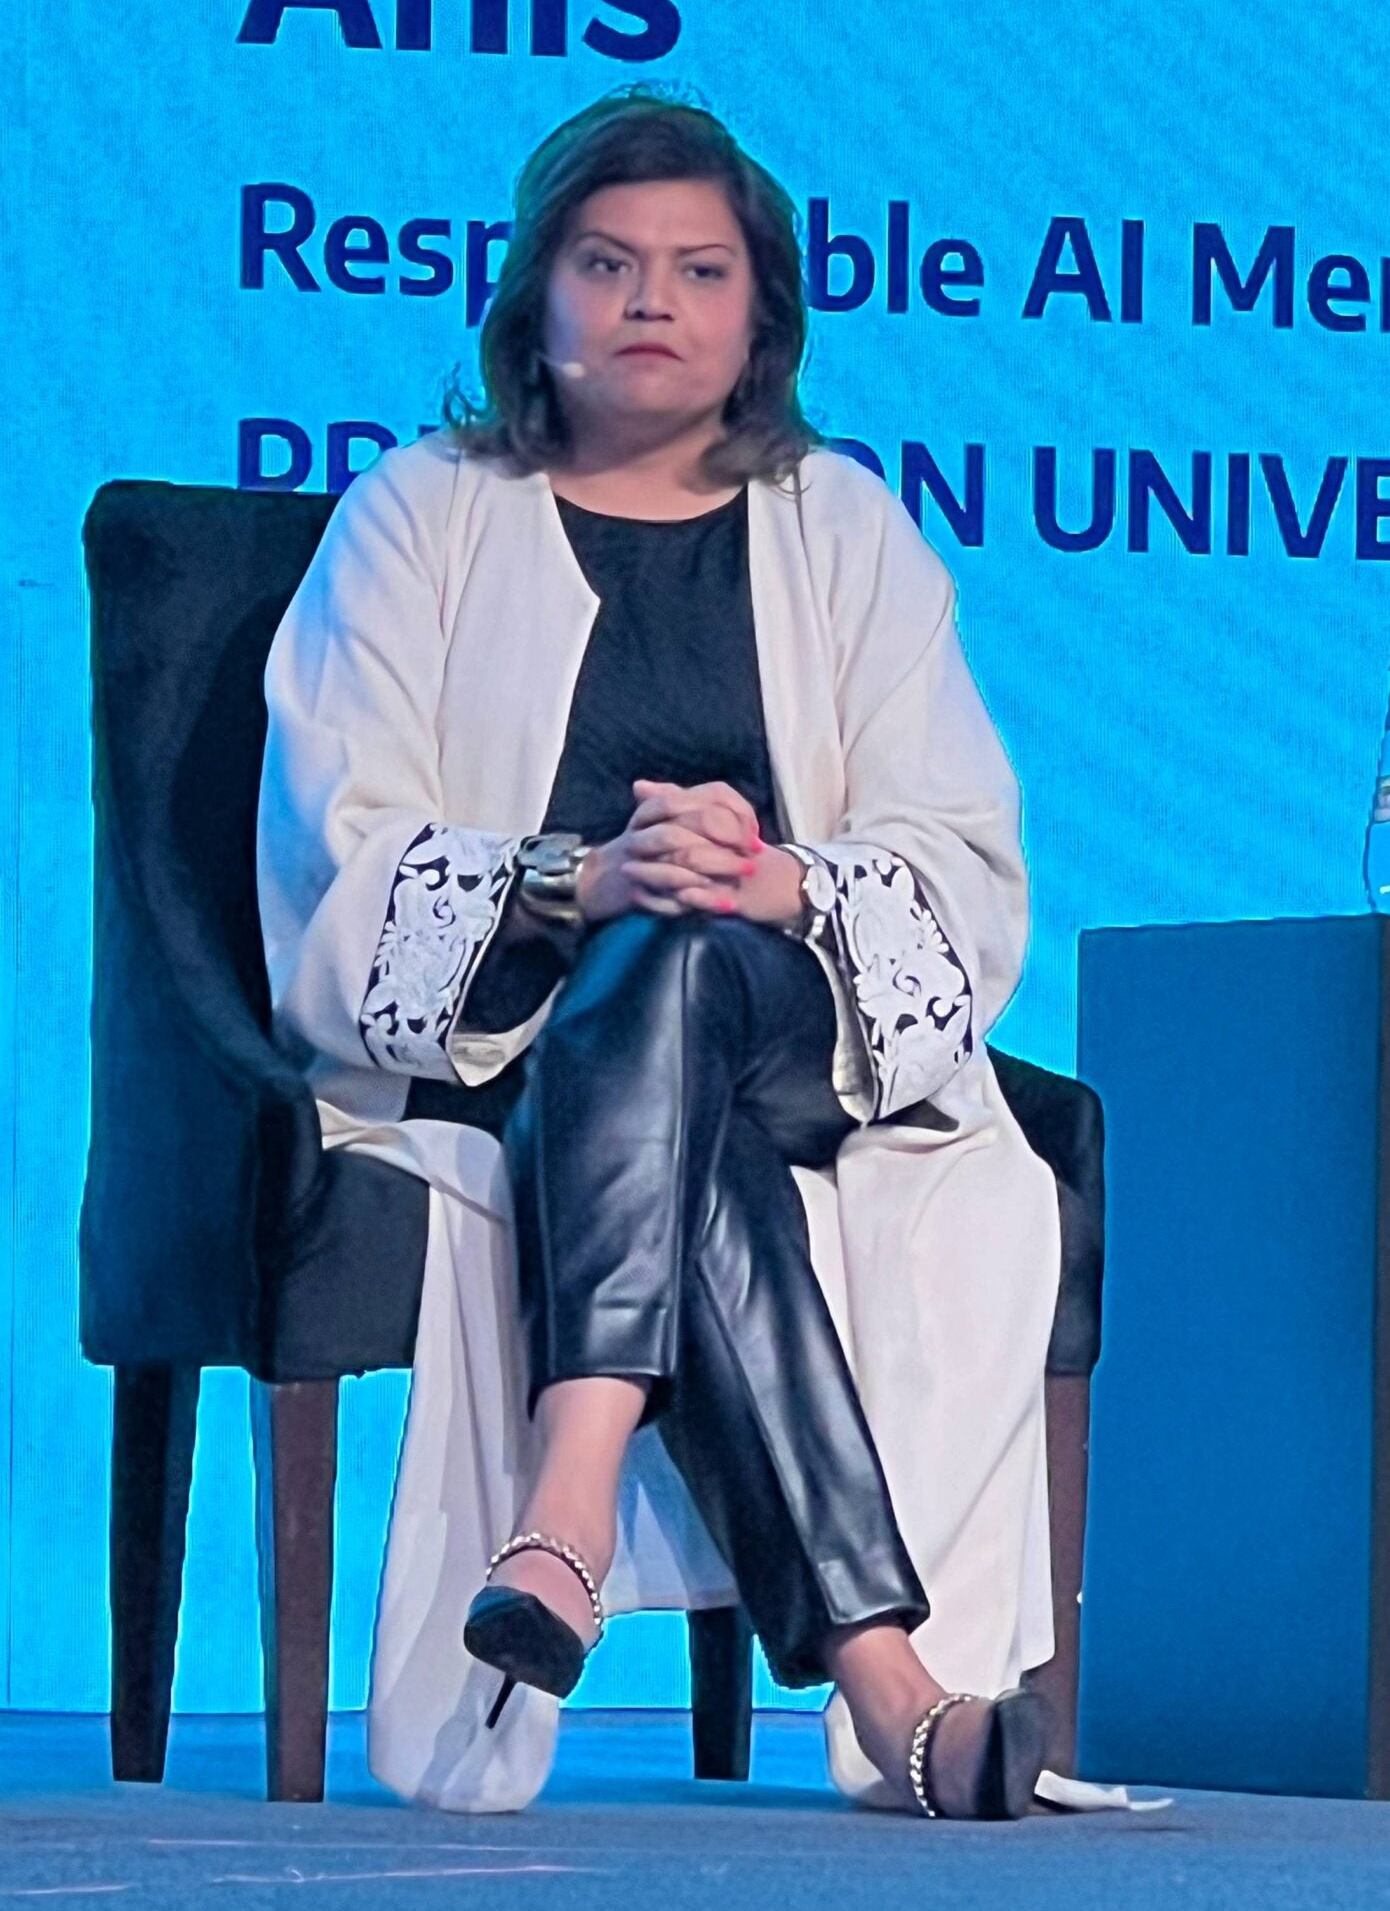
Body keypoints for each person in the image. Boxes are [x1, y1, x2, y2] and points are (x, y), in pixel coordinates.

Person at [255, 90, 1062, 1818]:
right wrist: (573, 874)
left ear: (761, 314)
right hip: (523, 1042)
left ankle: (566, 1504)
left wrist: (776, 885)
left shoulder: (846, 525)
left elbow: (962, 853)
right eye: (607, 262)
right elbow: (339, 834)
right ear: (534, 294)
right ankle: (896, 1685)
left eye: (699, 270)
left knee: (693, 959)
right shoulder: (418, 513)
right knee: (650, 996)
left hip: (800, 1028)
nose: (651, 301)